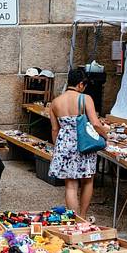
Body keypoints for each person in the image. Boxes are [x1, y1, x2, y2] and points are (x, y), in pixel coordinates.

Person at [48, 70, 110, 220]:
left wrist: (59, 148)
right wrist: (105, 135)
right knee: (88, 180)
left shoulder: (55, 102)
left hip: (64, 143)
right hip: (83, 142)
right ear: (80, 84)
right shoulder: (85, 98)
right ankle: (82, 217)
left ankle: (74, 220)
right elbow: (95, 123)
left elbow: (55, 129)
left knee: (70, 185)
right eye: (84, 85)